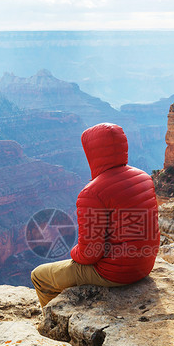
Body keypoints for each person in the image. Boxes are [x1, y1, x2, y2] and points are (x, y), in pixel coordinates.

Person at [31, 123, 159, 306]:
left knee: (39, 276)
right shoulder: (144, 177)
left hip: (115, 274)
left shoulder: (92, 193)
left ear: (92, 151)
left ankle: (51, 323)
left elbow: (90, 253)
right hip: (144, 265)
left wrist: (73, 252)